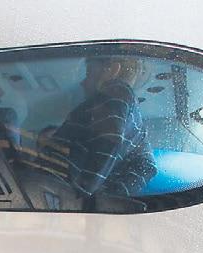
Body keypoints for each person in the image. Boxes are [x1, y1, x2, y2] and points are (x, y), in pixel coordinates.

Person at [42, 56, 157, 197]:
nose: (83, 83)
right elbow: (148, 166)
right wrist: (108, 198)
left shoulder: (116, 92)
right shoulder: (137, 125)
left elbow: (109, 143)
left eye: (88, 73)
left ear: (112, 70)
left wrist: (78, 197)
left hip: (53, 192)